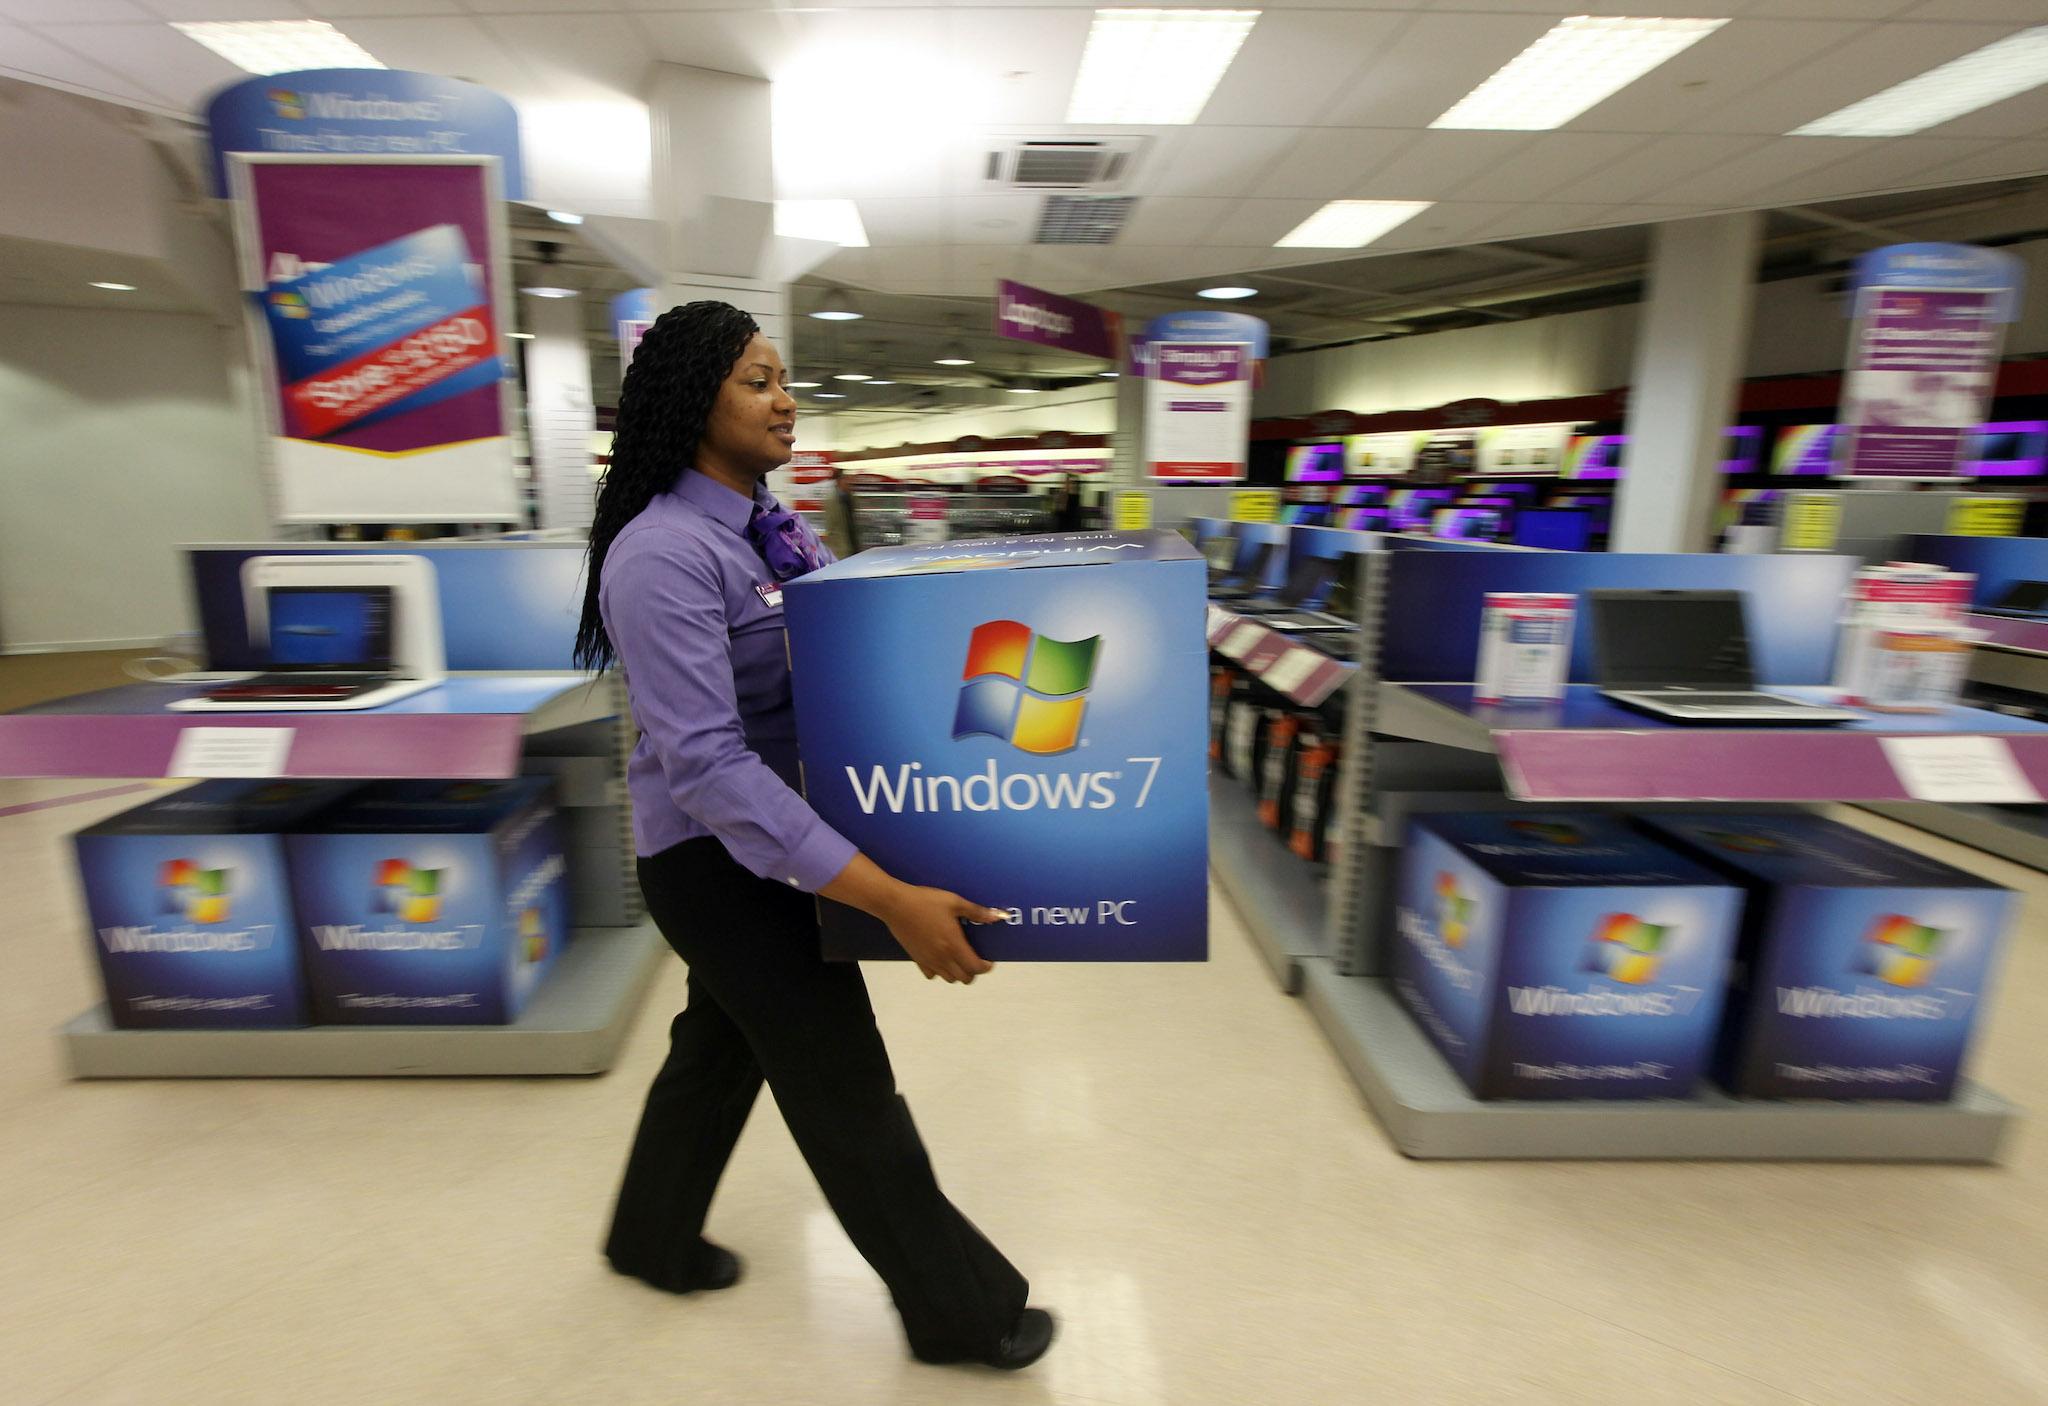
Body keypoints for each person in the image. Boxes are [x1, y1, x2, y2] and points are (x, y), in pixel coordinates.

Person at [575, 301, 1054, 1371]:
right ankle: (963, 1312)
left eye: (784, 377)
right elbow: (703, 765)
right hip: (718, 864)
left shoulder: (769, 527)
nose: (785, 399)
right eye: (756, 379)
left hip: (782, 836)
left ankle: (647, 1235)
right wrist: (885, 894)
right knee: (845, 1087)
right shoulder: (664, 553)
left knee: (716, 1051)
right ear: (692, 397)